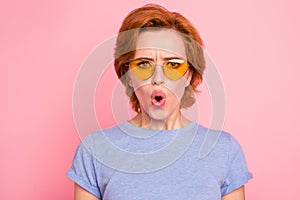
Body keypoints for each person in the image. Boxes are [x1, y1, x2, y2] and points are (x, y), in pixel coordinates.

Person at [67, 4, 253, 200]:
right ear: (128, 75)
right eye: (144, 64)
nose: (158, 78)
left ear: (189, 74)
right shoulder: (95, 151)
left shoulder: (224, 150)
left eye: (173, 65)